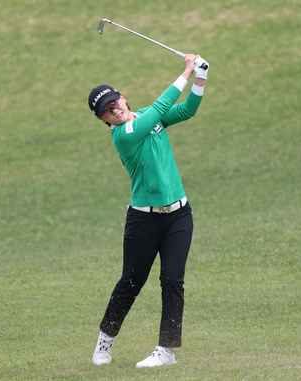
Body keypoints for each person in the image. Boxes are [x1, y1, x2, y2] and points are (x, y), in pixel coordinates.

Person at [87, 54, 209, 368]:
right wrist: (185, 71)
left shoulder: (147, 118)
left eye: (114, 102)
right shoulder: (124, 136)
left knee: (172, 280)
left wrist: (200, 78)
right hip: (144, 219)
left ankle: (166, 351)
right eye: (107, 111)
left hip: (179, 215)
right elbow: (158, 109)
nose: (114, 109)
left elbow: (187, 110)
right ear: (104, 121)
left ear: (122, 98)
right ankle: (105, 339)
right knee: (131, 281)